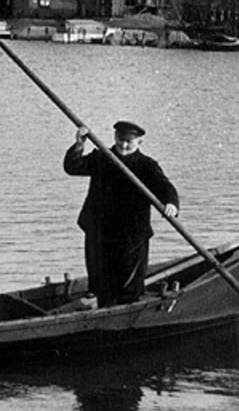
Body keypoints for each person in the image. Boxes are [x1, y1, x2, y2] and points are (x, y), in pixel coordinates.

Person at [63, 120, 179, 307]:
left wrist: (171, 203)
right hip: (99, 229)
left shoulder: (146, 165)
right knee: (99, 276)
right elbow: (72, 167)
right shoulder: (102, 157)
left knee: (128, 280)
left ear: (139, 142)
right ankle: (101, 306)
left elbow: (164, 186)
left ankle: (127, 308)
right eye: (120, 140)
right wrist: (79, 144)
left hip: (131, 233)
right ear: (115, 137)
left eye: (129, 142)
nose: (123, 145)